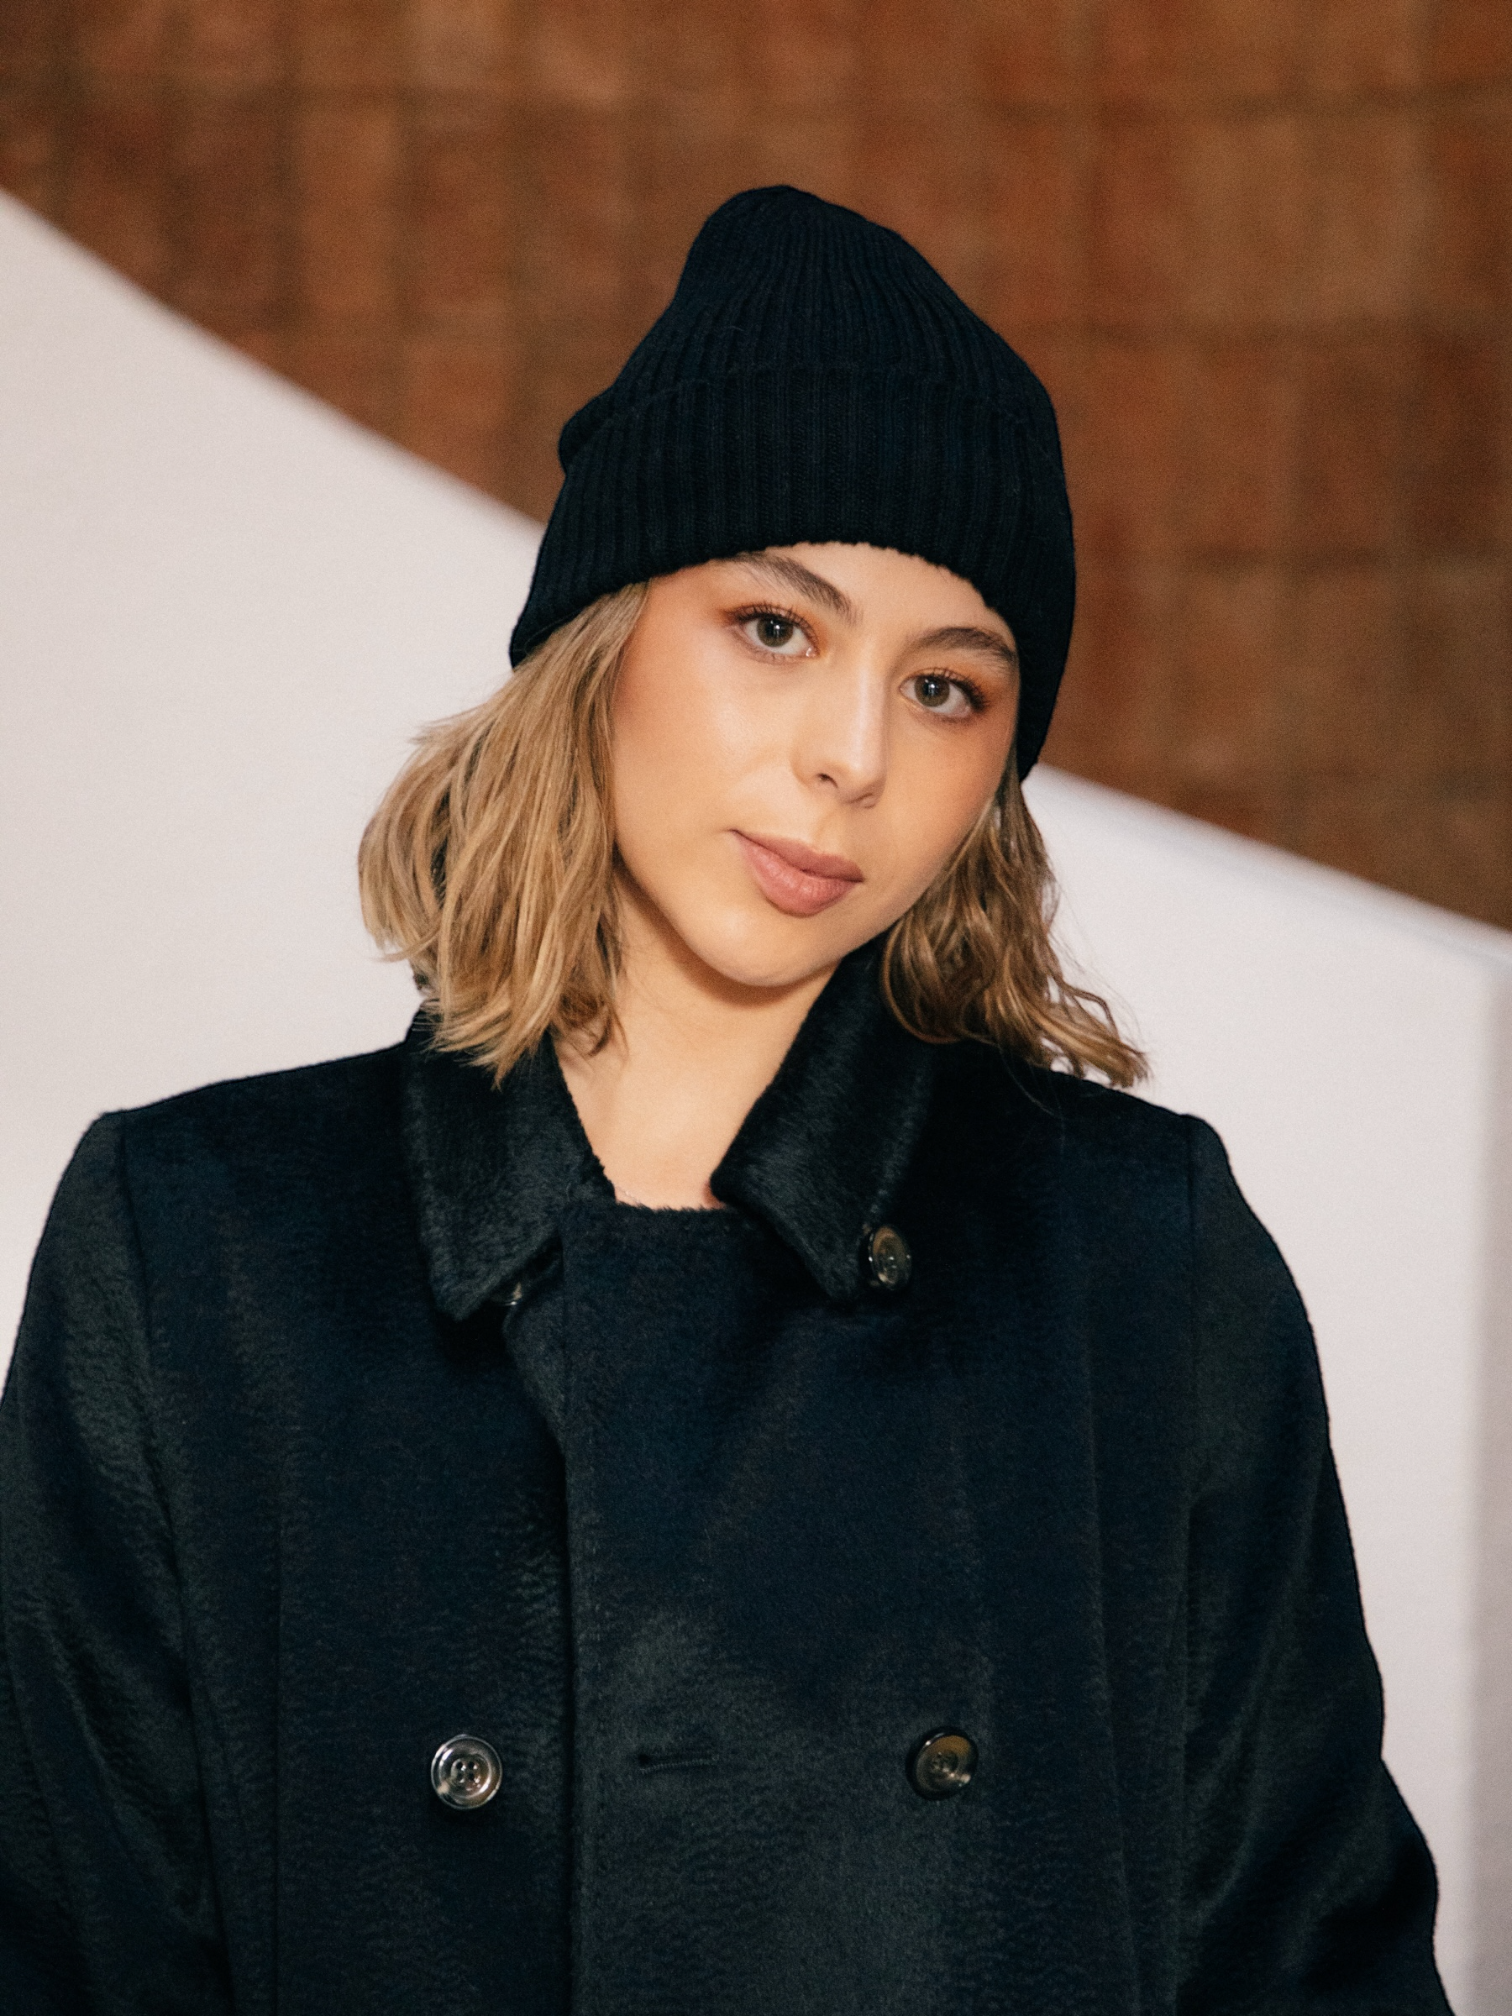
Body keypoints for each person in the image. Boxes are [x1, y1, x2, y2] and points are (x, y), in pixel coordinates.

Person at [0, 186, 1449, 2015]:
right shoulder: (195, 1246)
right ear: (602, 638)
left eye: (947, 687)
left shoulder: (1136, 1267)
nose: (853, 755)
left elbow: (1313, 1970)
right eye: (777, 627)